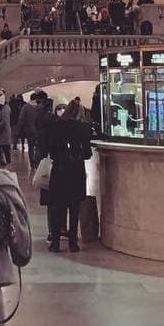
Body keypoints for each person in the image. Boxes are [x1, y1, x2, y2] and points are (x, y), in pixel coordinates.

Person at [41, 98, 92, 252]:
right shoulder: (82, 128)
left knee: (58, 207)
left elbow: (50, 149)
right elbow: (87, 153)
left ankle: (55, 242)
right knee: (74, 208)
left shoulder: (57, 126)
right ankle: (73, 243)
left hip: (60, 170)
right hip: (76, 171)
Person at [18, 91, 42, 169]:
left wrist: (20, 128)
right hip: (39, 130)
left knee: (31, 147)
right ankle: (38, 162)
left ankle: (32, 163)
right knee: (38, 146)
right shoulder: (40, 107)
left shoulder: (25, 107)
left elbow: (21, 119)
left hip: (29, 130)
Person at [0, 95, 13, 167]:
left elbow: (5, 122)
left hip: (4, 133)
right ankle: (0, 162)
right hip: (1, 133)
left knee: (4, 148)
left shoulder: (5, 109)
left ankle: (8, 163)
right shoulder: (2, 108)